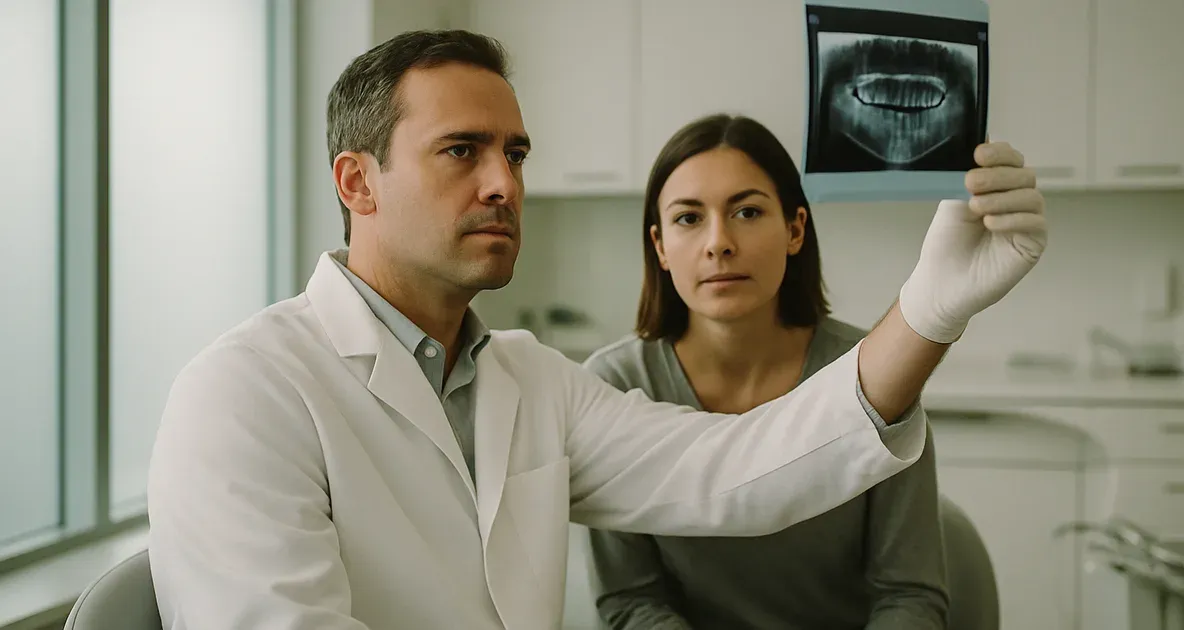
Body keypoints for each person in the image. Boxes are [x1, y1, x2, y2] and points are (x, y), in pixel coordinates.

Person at [144, 29, 1047, 630]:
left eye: (517, 154)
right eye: (463, 151)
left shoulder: (530, 381)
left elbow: (742, 470)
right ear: (357, 183)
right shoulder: (246, 391)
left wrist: (930, 308)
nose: (504, 182)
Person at [583, 113, 954, 630]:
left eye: (748, 211)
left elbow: (909, 595)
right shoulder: (615, 385)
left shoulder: (873, 372)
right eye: (689, 218)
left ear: (795, 229)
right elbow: (629, 600)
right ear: (660, 246)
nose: (719, 242)